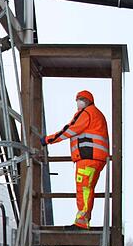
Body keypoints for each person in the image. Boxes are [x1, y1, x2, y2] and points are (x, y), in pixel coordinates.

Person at [41, 90, 110, 229]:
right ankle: (84, 220)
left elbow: (70, 130)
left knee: (83, 189)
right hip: (96, 158)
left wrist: (47, 140)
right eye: (77, 99)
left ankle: (82, 222)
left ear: (88, 100)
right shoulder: (95, 113)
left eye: (81, 99)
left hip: (88, 157)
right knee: (87, 189)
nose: (78, 101)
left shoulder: (86, 113)